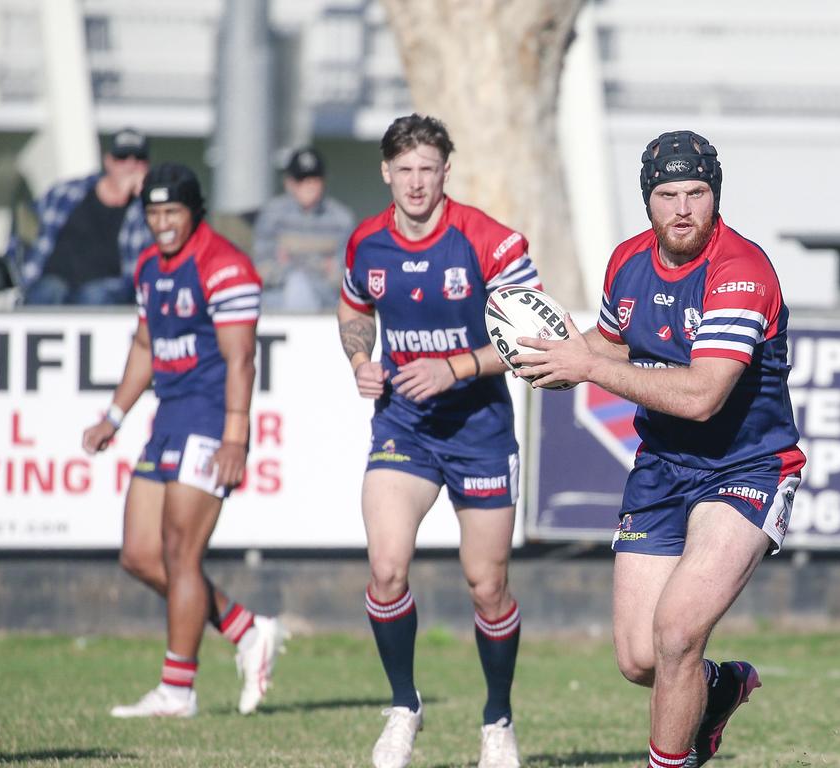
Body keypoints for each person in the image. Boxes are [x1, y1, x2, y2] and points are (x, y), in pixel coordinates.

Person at [512, 131, 806, 768]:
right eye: (667, 194)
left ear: (714, 196)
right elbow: (613, 342)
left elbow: (702, 395)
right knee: (641, 660)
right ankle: (720, 689)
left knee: (676, 635)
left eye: (696, 193)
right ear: (647, 201)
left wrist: (585, 368)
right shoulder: (628, 261)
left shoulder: (741, 270)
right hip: (663, 467)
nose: (682, 208)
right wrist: (551, 355)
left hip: (747, 467)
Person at [337, 114, 541, 768]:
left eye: (428, 169)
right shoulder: (366, 243)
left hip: (479, 429)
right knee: (387, 567)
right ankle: (404, 707)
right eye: (405, 170)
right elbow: (353, 311)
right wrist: (360, 359)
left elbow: (529, 337)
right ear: (386, 172)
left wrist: (454, 366)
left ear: (446, 171)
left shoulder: (491, 241)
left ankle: (498, 720)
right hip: (405, 427)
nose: (416, 182)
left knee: (487, 585)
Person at [81, 162, 286, 718]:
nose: (162, 223)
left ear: (195, 211)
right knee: (141, 554)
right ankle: (247, 630)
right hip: (167, 418)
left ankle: (178, 689)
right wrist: (114, 416)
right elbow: (146, 346)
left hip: (210, 418)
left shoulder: (225, 265)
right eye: (152, 213)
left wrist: (236, 437)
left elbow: (242, 357)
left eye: (172, 212)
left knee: (181, 552)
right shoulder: (149, 264)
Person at [11, 127, 154, 305]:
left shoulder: (148, 208)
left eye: (139, 159)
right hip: (51, 287)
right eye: (122, 158)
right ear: (108, 161)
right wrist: (15, 269)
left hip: (106, 296)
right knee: (50, 290)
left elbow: (154, 258)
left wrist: (145, 199)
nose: (131, 166)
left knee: (96, 296)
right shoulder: (65, 193)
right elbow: (24, 229)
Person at [252, 146, 356, 311]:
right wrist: (314, 267)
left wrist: (293, 261)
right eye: (301, 180)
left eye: (314, 179)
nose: (309, 186)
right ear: (289, 183)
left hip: (326, 306)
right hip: (277, 304)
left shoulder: (341, 218)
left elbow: (349, 276)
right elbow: (259, 269)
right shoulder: (272, 215)